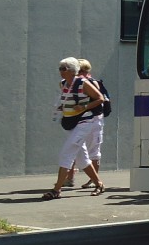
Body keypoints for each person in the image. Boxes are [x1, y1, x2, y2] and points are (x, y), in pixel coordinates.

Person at [44, 57, 105, 200]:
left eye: (63, 68)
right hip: (71, 123)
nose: (60, 71)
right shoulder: (63, 83)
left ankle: (56, 189)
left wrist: (84, 107)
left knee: (67, 153)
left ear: (72, 70)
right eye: (60, 68)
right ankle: (99, 184)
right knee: (82, 158)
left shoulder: (83, 83)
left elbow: (100, 98)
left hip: (84, 122)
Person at [64, 59, 106, 188]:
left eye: (79, 70)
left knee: (93, 150)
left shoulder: (90, 83)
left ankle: (94, 180)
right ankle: (70, 178)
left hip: (93, 119)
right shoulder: (74, 83)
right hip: (81, 120)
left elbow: (99, 99)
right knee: (75, 147)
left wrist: (83, 107)